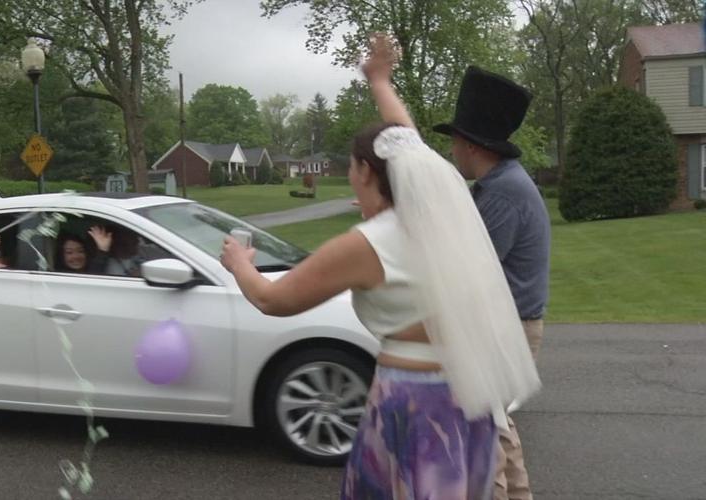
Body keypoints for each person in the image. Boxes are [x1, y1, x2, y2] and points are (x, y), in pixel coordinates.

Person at [220, 34, 540, 499]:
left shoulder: (370, 244)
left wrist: (238, 263)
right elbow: (403, 141)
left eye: (351, 168)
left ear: (366, 172)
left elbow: (273, 299)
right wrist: (378, 81)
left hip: (415, 402)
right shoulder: (444, 206)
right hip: (467, 396)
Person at [433, 66, 551, 500]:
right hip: (510, 325)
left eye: (453, 142)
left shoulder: (501, 191)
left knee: (482, 442)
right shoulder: (499, 185)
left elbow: (471, 267)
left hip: (505, 328)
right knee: (497, 429)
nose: (451, 151)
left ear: (470, 145)